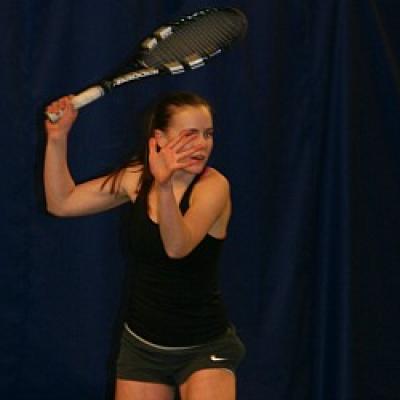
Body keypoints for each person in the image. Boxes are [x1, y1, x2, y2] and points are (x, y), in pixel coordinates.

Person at [44, 91, 245, 400]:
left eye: (208, 134)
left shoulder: (213, 186)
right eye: (190, 134)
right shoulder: (136, 178)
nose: (202, 144)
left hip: (204, 347)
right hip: (142, 348)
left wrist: (164, 186)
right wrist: (57, 139)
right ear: (159, 139)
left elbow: (177, 247)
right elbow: (61, 202)